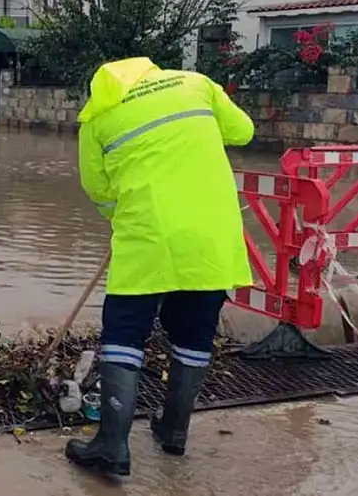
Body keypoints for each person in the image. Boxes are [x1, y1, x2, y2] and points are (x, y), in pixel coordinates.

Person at [65, 57, 254, 477]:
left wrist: (124, 214)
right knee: (194, 333)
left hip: (145, 240)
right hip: (211, 237)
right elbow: (244, 131)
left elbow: (99, 193)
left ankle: (112, 445)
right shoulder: (196, 84)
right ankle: (173, 432)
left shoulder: (96, 120)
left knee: (124, 335)